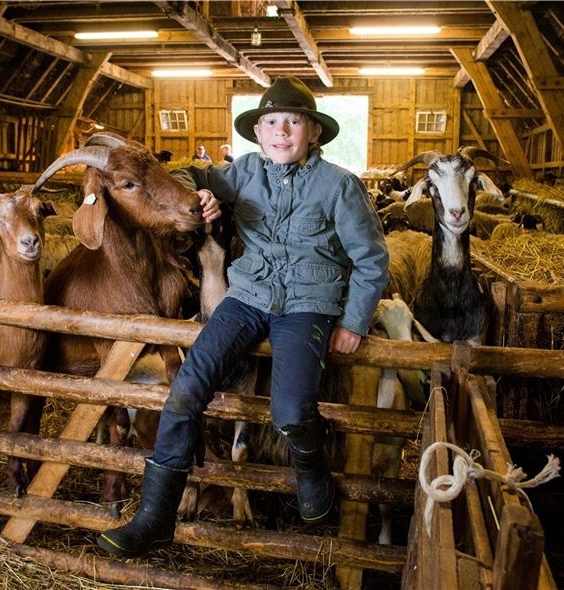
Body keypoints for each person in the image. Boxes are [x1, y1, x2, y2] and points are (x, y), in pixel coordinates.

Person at [97, 76, 388, 559]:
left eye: (293, 122)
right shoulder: (244, 171)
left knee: (292, 411)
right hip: (247, 296)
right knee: (186, 389)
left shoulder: (340, 186)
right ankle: (155, 517)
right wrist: (201, 194)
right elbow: (187, 176)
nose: (281, 131)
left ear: (313, 132)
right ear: (258, 132)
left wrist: (354, 321)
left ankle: (312, 471)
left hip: (307, 303)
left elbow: (373, 260)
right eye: (271, 122)